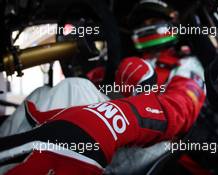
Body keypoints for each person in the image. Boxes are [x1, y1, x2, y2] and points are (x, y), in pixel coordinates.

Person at [0, 0, 206, 174]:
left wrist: (116, 118)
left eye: (153, 21)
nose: (146, 26)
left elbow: (183, 108)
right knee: (42, 94)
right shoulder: (130, 62)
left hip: (156, 144)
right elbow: (98, 82)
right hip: (118, 136)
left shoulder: (187, 64)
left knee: (74, 89)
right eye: (142, 24)